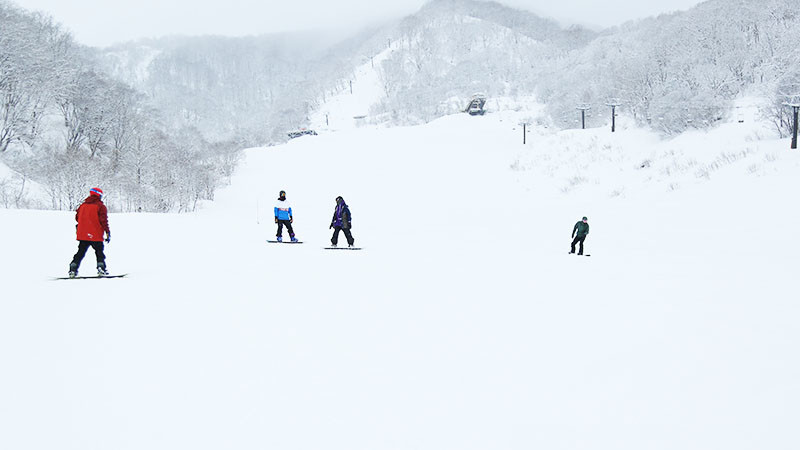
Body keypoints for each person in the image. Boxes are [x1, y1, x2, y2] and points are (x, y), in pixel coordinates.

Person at [68, 187, 111, 277]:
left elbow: (77, 218)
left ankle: (73, 268)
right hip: (95, 234)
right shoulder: (100, 206)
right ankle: (101, 268)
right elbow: (103, 221)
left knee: (80, 252)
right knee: (99, 252)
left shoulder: (82, 206)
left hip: (83, 234)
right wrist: (107, 232)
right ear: (99, 195)